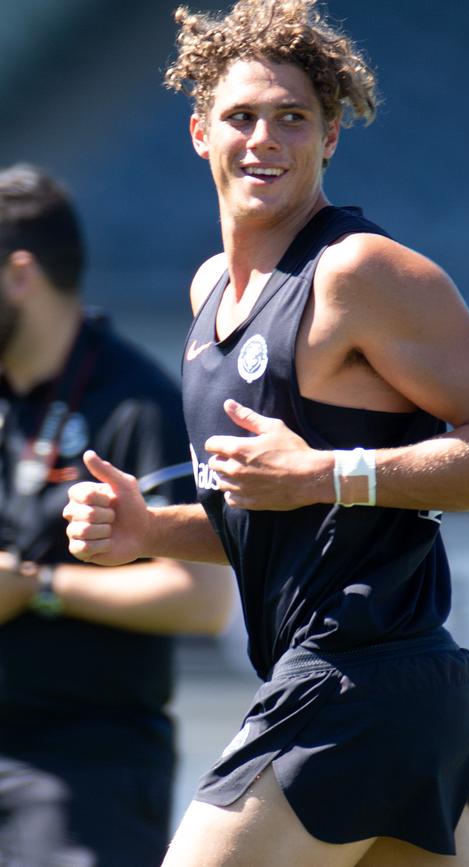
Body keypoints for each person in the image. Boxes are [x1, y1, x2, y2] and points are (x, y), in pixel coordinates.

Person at [64, 2, 469, 865]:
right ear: (197, 134)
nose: (265, 138)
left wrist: (328, 471)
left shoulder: (361, 272)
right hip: (400, 701)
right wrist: (150, 531)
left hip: (358, 682)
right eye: (242, 117)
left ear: (330, 136)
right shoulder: (209, 291)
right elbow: (277, 515)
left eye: (293, 118)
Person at [0, 163, 233, 867]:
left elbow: (204, 598)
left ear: (19, 275)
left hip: (85, 766)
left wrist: (40, 587)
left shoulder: (137, 402)